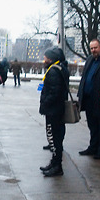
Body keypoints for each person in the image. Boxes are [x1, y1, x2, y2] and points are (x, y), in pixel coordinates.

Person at [38, 47, 69, 177]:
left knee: (54, 138)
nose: (44, 59)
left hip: (53, 110)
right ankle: (55, 162)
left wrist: (45, 103)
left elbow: (54, 92)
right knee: (56, 138)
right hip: (55, 109)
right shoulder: (59, 68)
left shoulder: (54, 71)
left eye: (45, 57)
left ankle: (57, 166)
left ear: (51, 58)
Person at [77, 39, 100, 159]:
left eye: (95, 48)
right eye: (91, 48)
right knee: (92, 125)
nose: (93, 50)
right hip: (89, 99)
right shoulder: (90, 59)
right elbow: (85, 77)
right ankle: (93, 147)